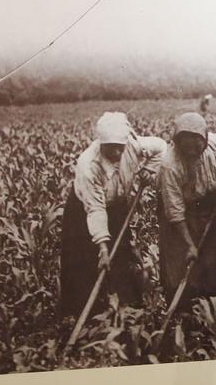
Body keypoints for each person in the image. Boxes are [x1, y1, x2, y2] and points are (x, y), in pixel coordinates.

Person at [60, 112, 166, 316]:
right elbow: (96, 209)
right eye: (111, 148)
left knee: (122, 254)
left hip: (117, 207)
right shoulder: (89, 165)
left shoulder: (134, 145)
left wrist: (150, 170)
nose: (117, 152)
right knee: (82, 261)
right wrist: (103, 248)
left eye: (120, 147)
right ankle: (83, 313)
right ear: (101, 143)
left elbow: (160, 147)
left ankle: (125, 307)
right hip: (84, 211)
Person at [158, 112, 216, 306]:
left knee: (213, 259)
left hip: (209, 206)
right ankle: (184, 309)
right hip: (181, 215)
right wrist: (189, 244)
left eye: (197, 146)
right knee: (182, 262)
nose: (192, 152)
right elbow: (174, 210)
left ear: (205, 139)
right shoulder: (170, 165)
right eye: (187, 147)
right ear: (178, 142)